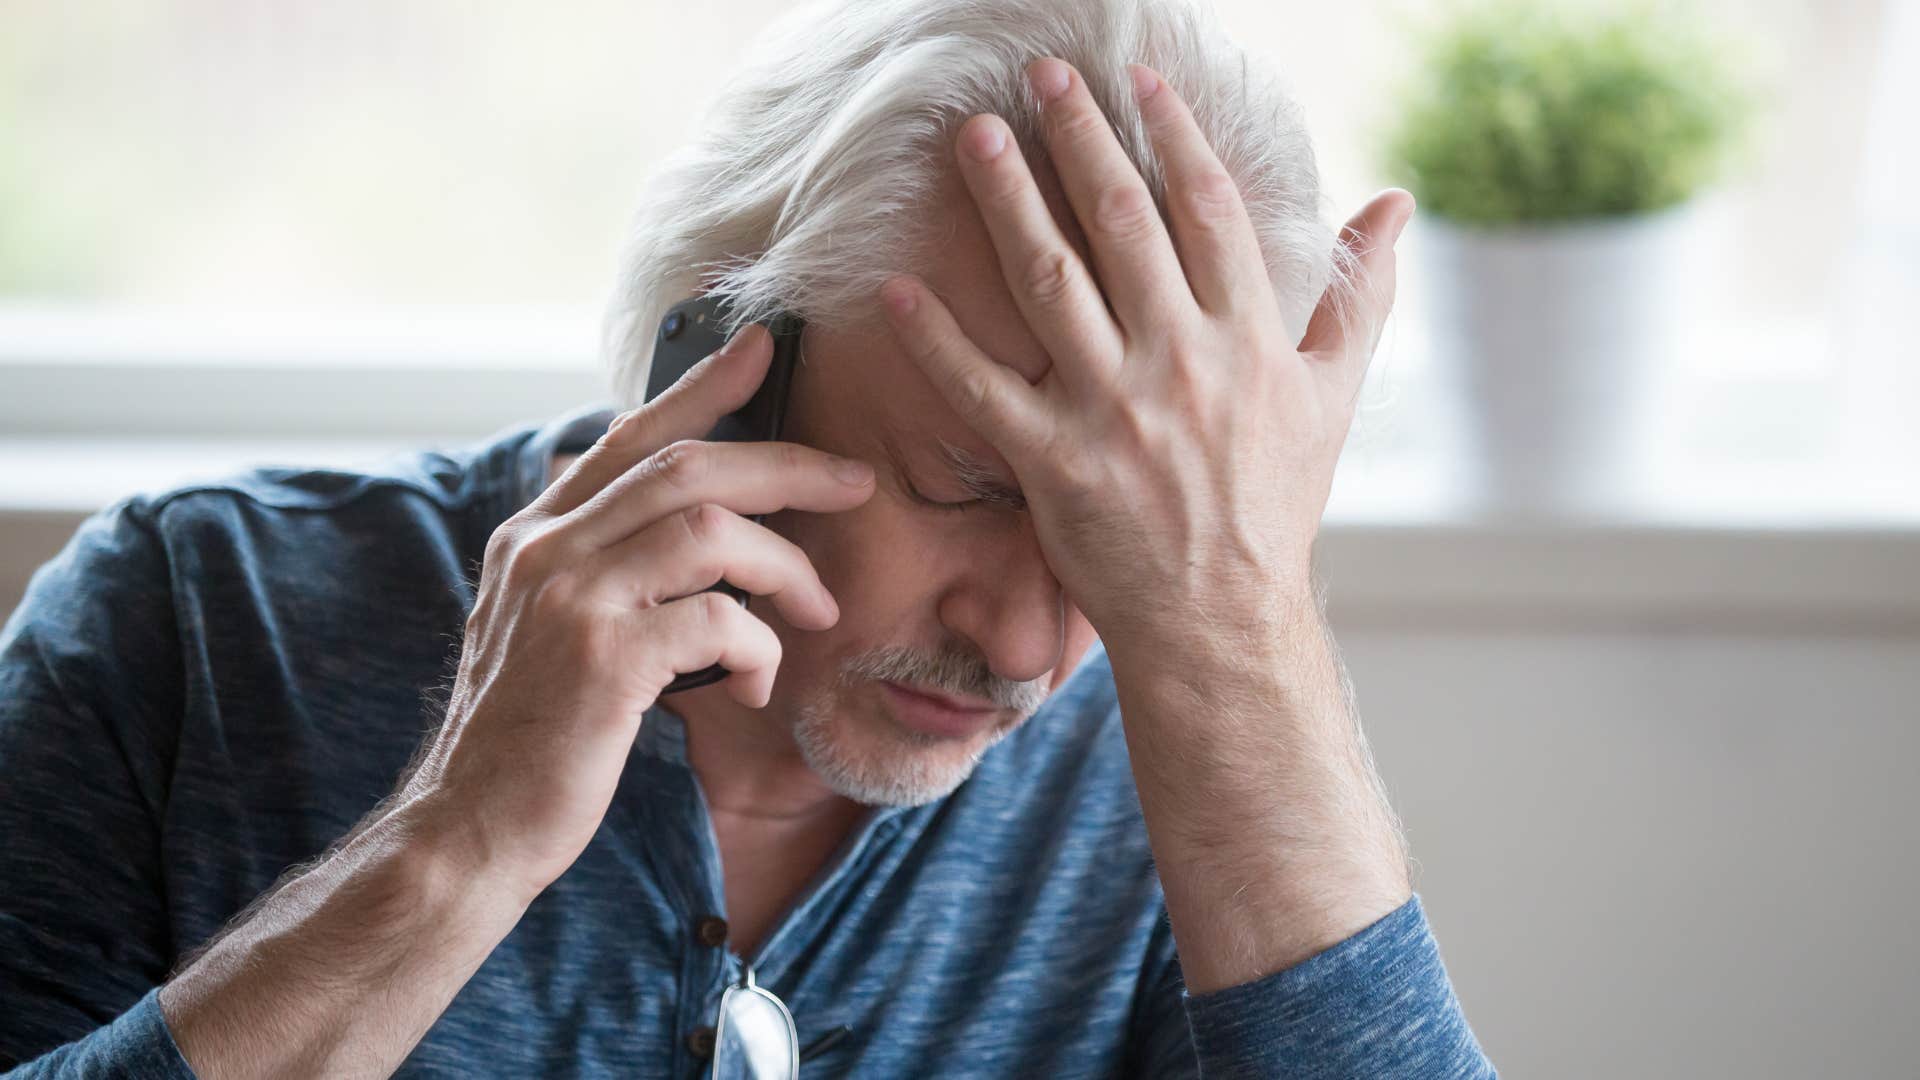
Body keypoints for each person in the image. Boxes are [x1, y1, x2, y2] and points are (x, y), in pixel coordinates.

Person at [0, 0, 1497, 1075]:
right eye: (972, 484)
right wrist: (455, 849)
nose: (1031, 646)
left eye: (1116, 533)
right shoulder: (189, 623)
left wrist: (1230, 631)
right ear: (716, 365)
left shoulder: (1200, 774)